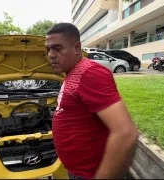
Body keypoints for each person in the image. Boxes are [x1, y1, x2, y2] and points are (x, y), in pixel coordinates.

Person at [45, 22, 139, 179]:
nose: (51, 55)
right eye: (48, 49)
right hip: (78, 171)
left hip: (90, 174)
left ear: (76, 48)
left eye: (57, 48)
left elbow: (126, 133)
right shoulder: (72, 72)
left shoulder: (90, 73)